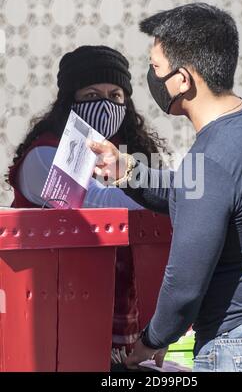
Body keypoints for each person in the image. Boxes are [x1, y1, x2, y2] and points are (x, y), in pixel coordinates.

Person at [88, 3, 242, 372]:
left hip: (240, 348)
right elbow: (199, 192)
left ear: (182, 79)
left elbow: (183, 285)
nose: (151, 78)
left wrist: (151, 339)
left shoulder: (211, 156)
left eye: (155, 68)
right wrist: (128, 172)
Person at [7, 45, 168, 356]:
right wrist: (171, 193)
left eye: (116, 96)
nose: (106, 105)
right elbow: (93, 203)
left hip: (121, 313)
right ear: (70, 101)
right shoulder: (44, 156)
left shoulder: (132, 156)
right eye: (92, 96)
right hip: (54, 309)